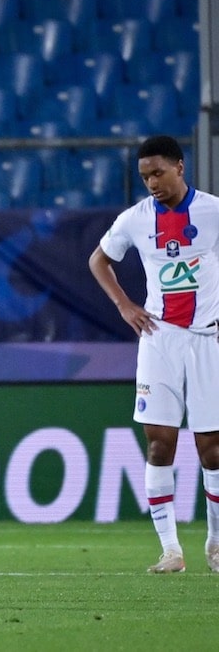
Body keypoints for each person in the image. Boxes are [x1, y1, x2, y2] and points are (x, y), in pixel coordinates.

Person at [88, 134, 219, 574]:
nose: (152, 183)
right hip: (159, 339)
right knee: (159, 444)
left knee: (212, 451)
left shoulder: (213, 211)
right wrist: (125, 305)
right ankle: (171, 551)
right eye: (145, 176)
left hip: (207, 340)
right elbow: (99, 261)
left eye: (158, 173)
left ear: (180, 167)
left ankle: (216, 543)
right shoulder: (135, 219)